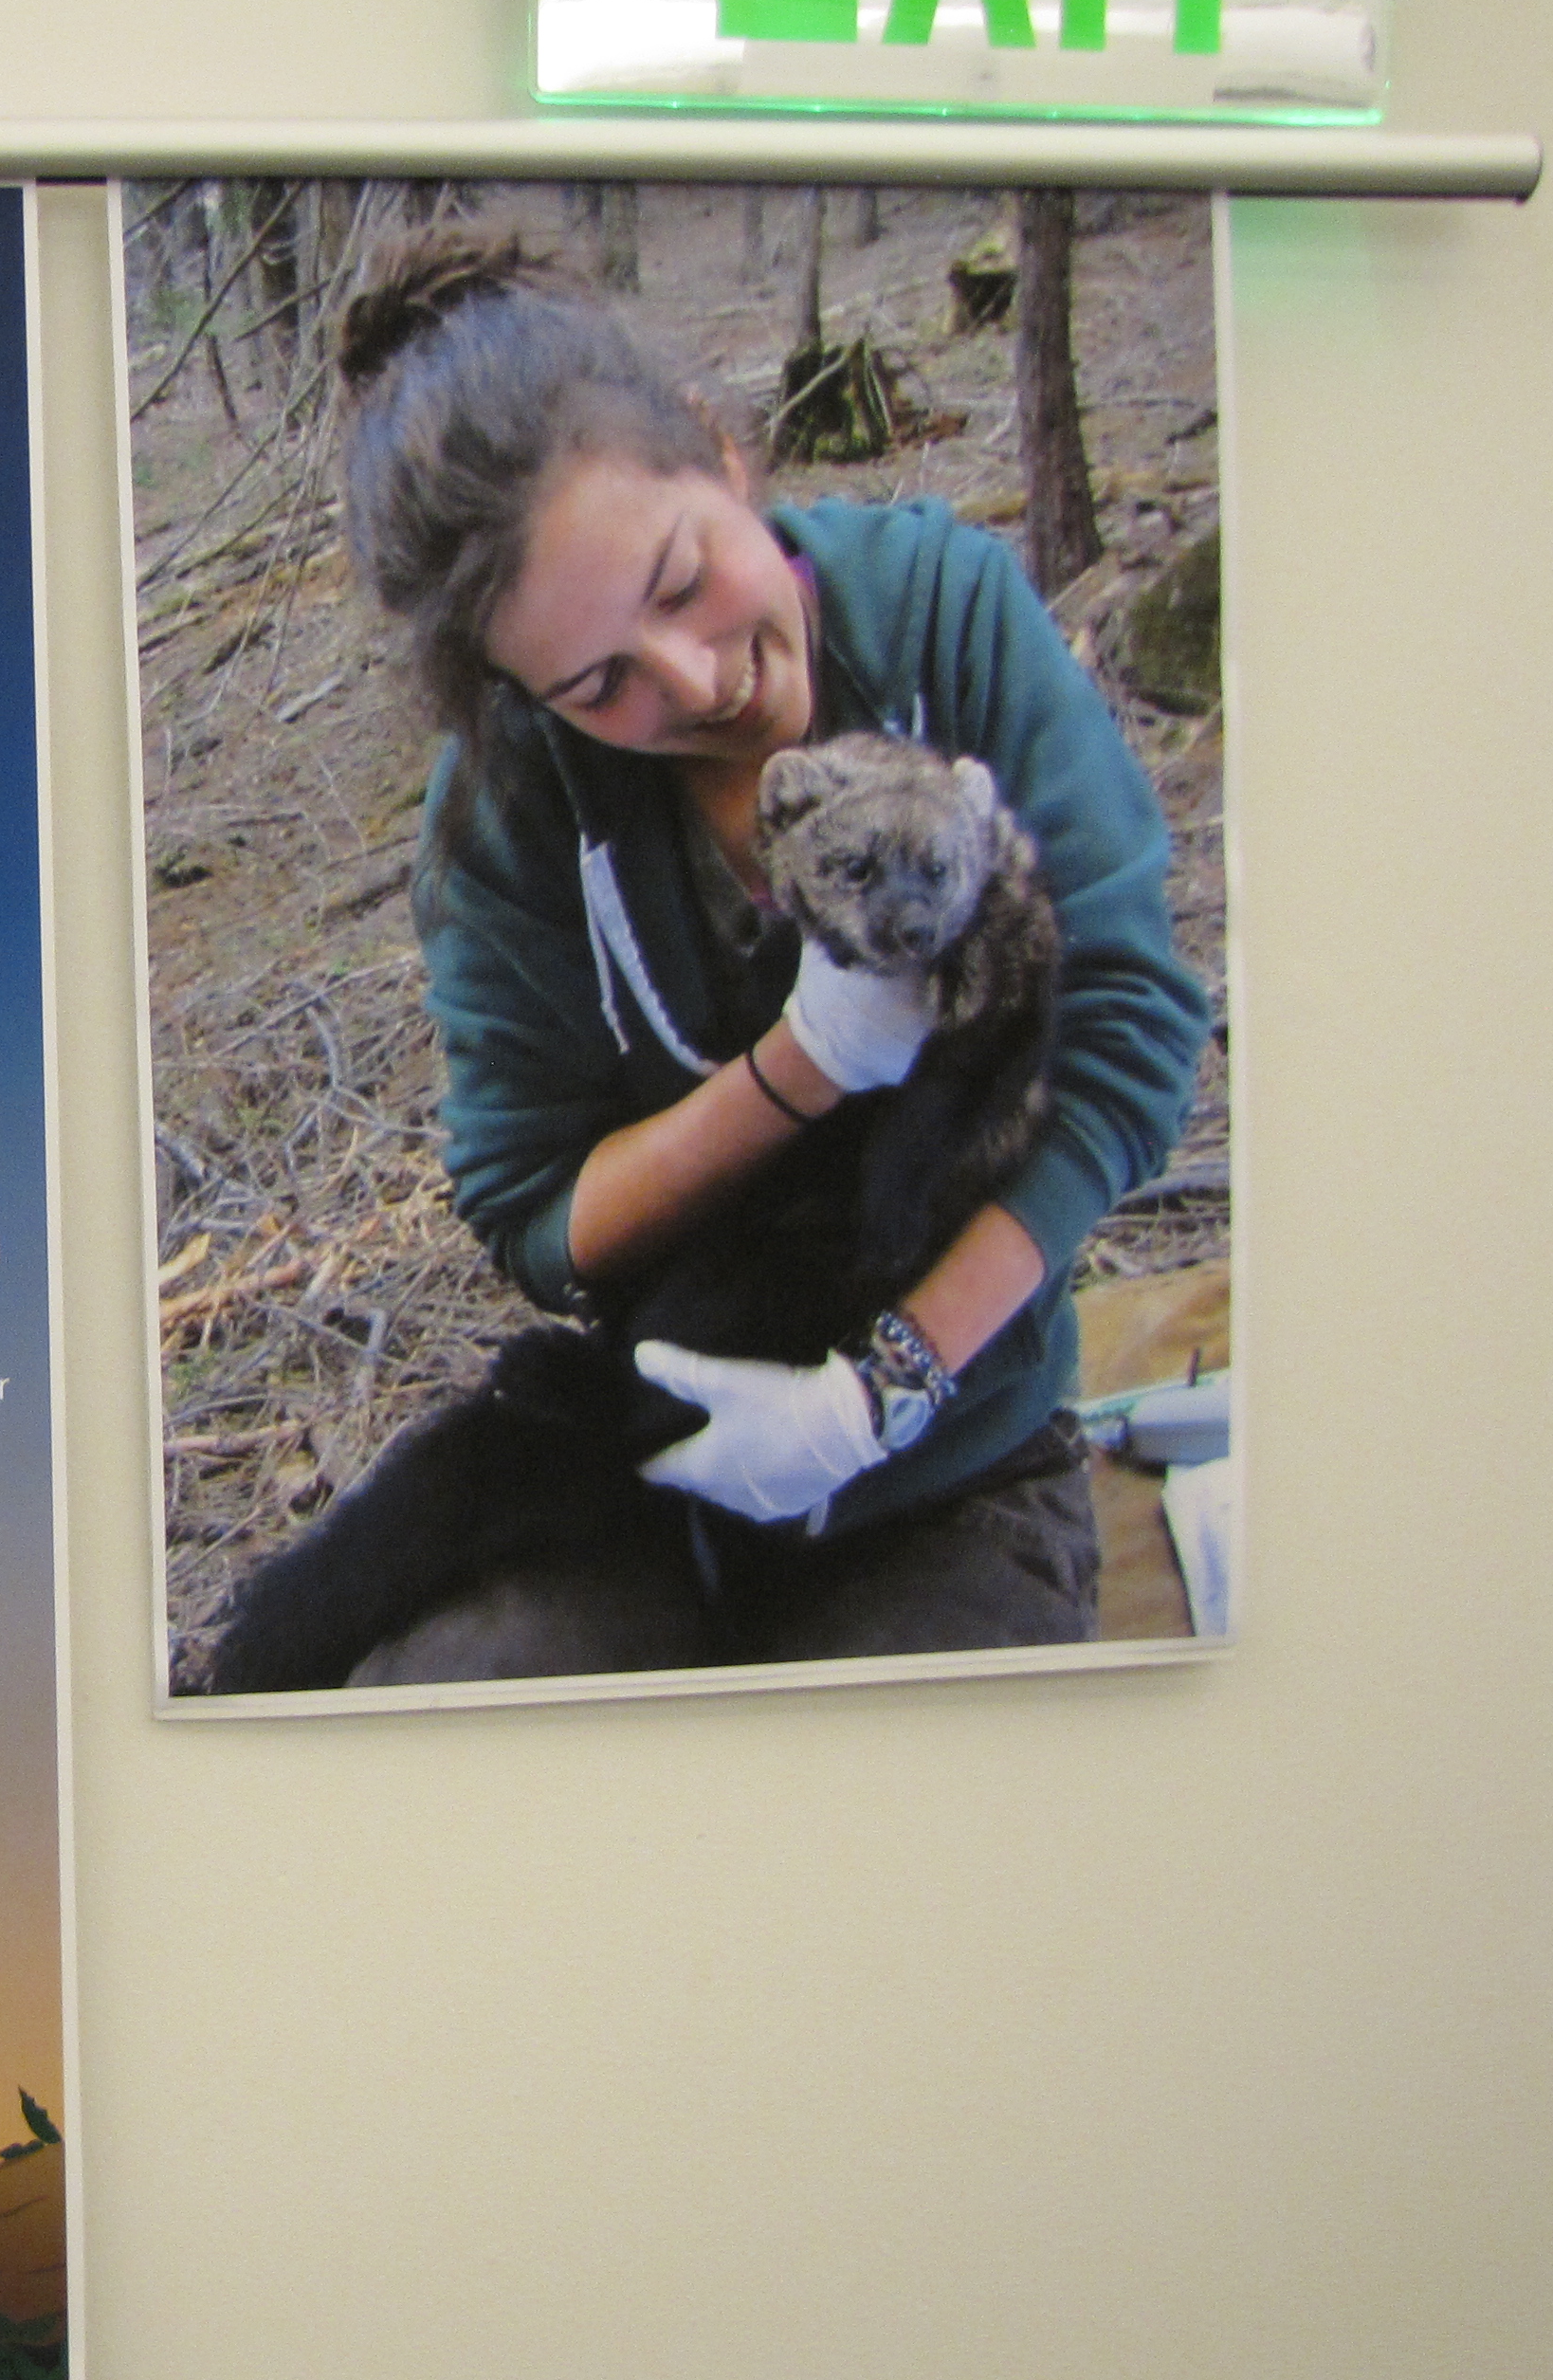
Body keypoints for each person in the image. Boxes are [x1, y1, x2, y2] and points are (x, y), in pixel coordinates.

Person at [316, 231, 1206, 1680]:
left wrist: (887, 1387)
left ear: (721, 454)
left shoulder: (939, 614)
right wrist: (804, 1066)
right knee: (450, 1711)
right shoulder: (509, 818)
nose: (696, 682)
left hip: (954, 1460)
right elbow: (536, 1212)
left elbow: (1127, 1030)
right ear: (519, 696)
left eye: (682, 582)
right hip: (667, 1443)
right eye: (598, 683)